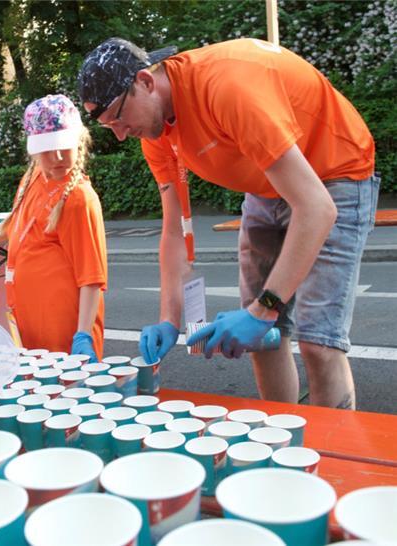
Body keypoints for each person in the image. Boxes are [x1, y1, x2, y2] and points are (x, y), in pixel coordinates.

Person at [78, 38, 377, 409]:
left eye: (120, 119)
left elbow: (317, 208)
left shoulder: (225, 88)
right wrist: (169, 319)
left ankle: (334, 458)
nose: (121, 133)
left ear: (145, 81)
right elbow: (173, 230)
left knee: (319, 343)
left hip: (336, 173)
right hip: (266, 186)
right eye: (110, 127)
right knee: (261, 340)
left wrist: (265, 307)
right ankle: (281, 447)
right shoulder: (155, 131)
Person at [0, 95, 107, 361]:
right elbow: (17, 224)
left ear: (78, 142)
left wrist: (82, 335)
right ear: (32, 150)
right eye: (46, 149)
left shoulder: (79, 198)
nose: (57, 157)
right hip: (31, 326)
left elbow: (91, 278)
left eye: (63, 147)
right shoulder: (33, 177)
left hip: (65, 332)